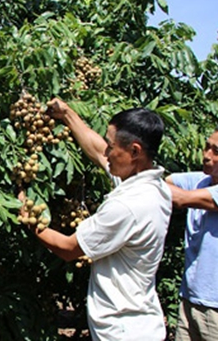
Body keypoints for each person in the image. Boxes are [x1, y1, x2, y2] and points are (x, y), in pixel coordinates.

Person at [21, 98, 172, 340]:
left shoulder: (127, 206)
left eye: (112, 146)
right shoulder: (155, 186)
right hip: (140, 321)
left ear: (134, 151)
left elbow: (68, 248)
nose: (107, 152)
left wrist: (28, 218)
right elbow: (99, 152)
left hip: (123, 332)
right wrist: (67, 114)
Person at [165, 124, 218, 341]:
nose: (207, 155)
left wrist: (143, 181)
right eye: (206, 147)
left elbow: (180, 198)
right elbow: (161, 181)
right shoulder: (200, 180)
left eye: (216, 152)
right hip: (190, 300)